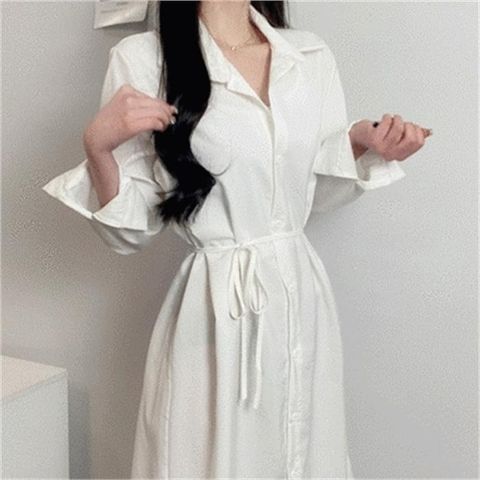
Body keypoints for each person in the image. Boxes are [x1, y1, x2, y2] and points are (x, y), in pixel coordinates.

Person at [41, 1, 430, 478]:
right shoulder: (143, 59)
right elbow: (129, 232)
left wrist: (360, 144)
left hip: (301, 298)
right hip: (214, 311)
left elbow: (312, 194)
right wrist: (98, 148)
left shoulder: (309, 55)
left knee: (304, 452)